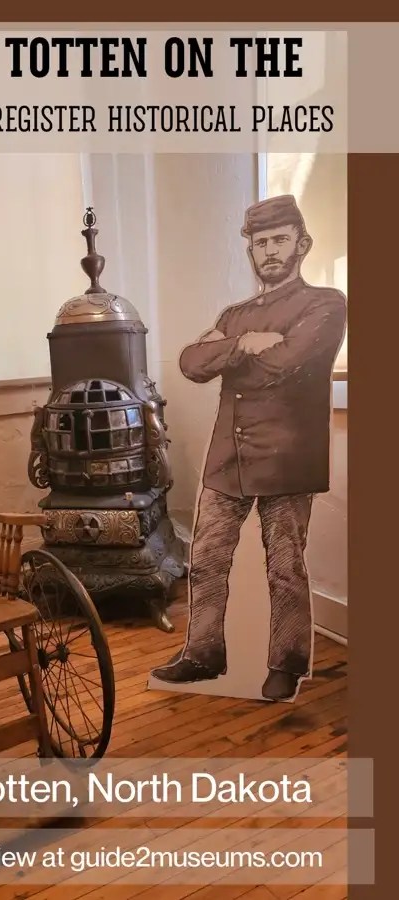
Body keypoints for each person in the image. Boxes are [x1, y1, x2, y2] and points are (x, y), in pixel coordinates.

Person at [150, 194, 347, 701]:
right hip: (227, 458)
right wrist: (241, 344)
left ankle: (287, 662)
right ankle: (202, 653)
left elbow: (288, 362)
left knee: (284, 566)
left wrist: (238, 353)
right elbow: (192, 363)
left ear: (301, 244)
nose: (269, 252)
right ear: (251, 252)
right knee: (208, 558)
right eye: (260, 243)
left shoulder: (326, 303)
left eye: (279, 240)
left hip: (287, 456)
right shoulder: (235, 315)